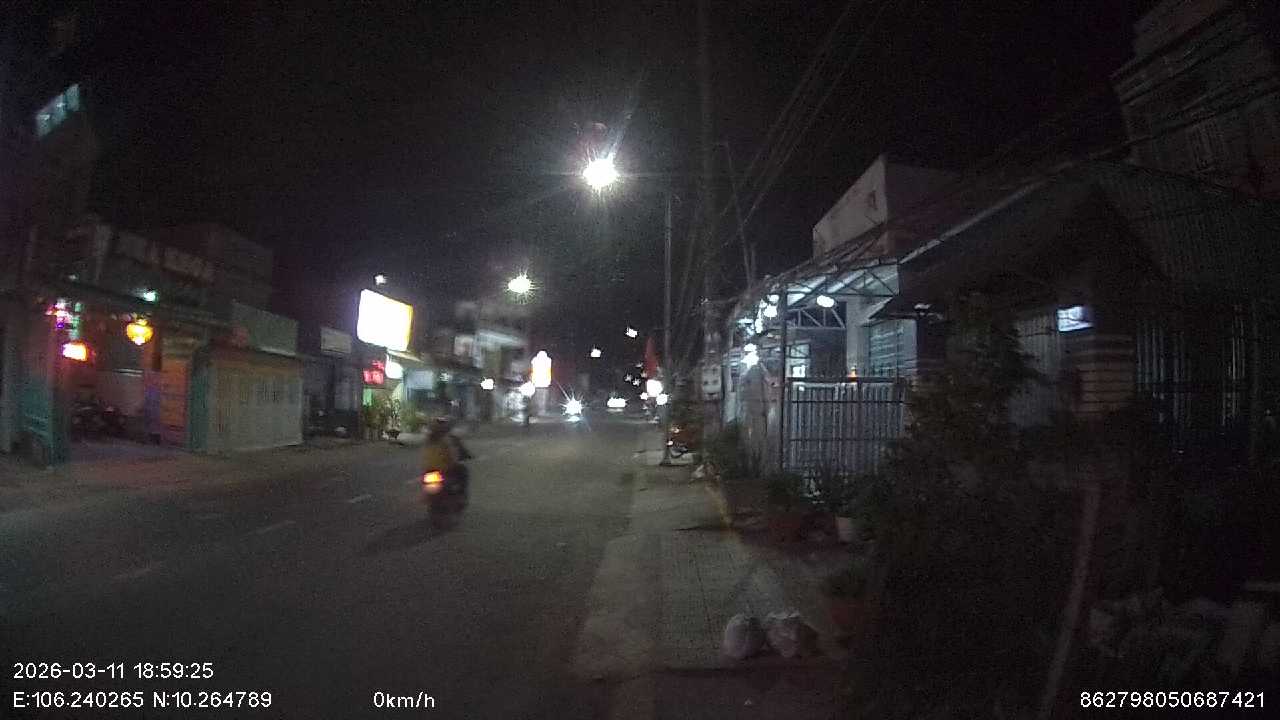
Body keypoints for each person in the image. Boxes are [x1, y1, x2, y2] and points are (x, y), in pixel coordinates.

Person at [422, 417, 471, 498]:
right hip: (445, 469)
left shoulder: (428, 440)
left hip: (430, 469)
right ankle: (461, 494)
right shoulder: (448, 439)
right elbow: (454, 454)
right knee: (463, 471)